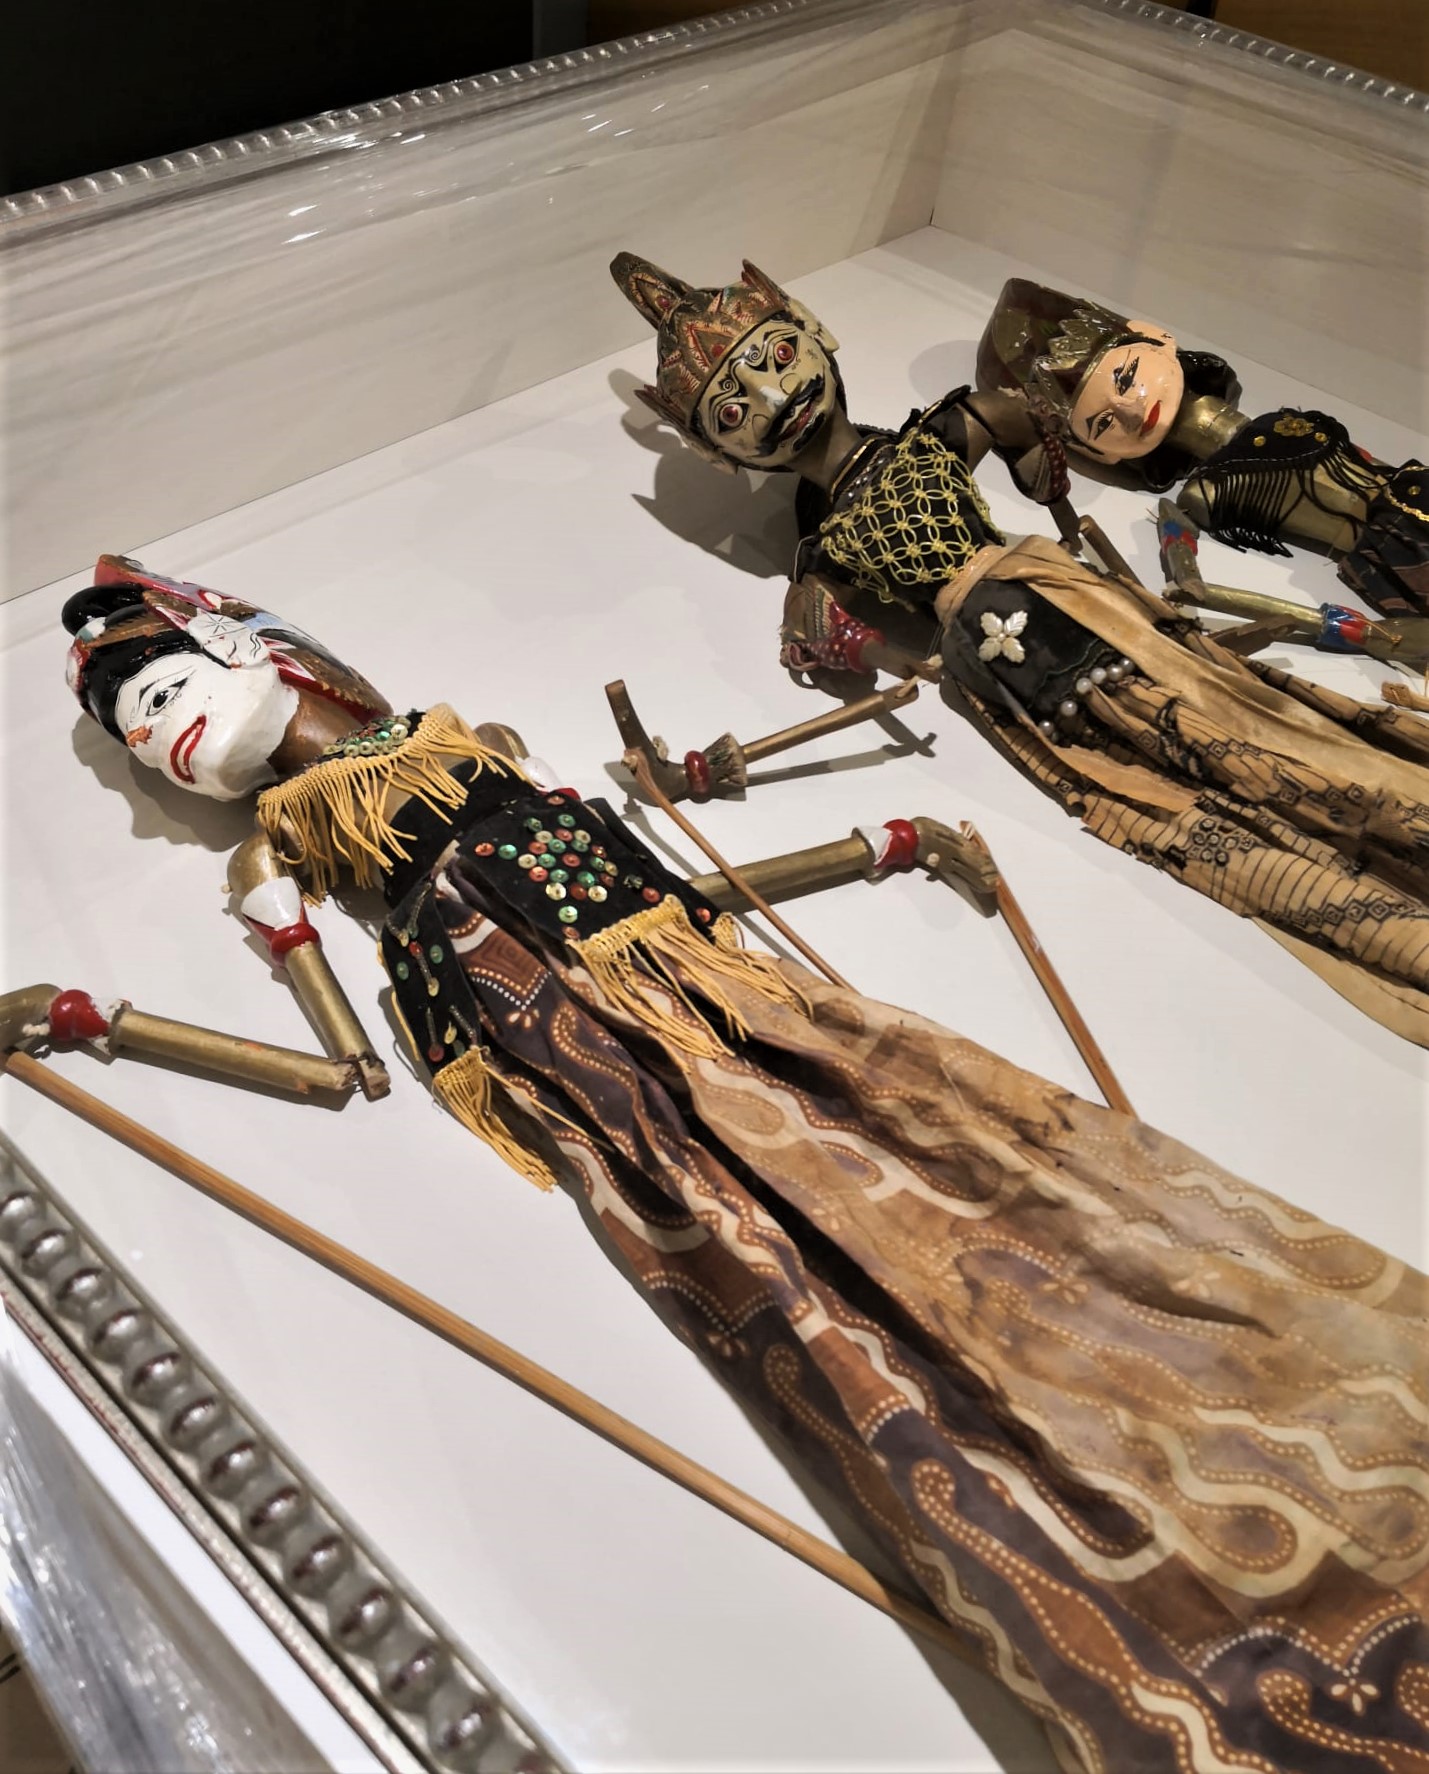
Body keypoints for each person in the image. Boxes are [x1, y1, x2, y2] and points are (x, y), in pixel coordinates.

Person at [64, 552, 1429, 1773]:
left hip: (743, 1006)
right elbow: (348, 1063)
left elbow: (670, 891)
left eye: (160, 690)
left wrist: (872, 846)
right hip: (620, 1106)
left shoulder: (471, 752)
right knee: (847, 1338)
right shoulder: (288, 853)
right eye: (137, 739)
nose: (160, 741)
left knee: (1019, 1178)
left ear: (247, 643)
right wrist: (115, 1024)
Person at [612, 254, 1429, 1044]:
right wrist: (877, 652)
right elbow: (811, 626)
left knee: (1233, 710)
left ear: (811, 330)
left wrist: (1051, 485)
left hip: (1053, 597)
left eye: (775, 356)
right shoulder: (825, 545)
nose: (771, 396)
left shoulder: (931, 437)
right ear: (715, 450)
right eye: (731, 412)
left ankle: (1385, 811)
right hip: (996, 660)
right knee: (1165, 790)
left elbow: (1010, 420)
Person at [977, 276, 1429, 617]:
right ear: (1101, 453)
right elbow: (1178, 540)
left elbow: (1368, 463)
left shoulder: (1291, 422)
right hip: (1394, 557)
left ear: (1157, 338)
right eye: (1104, 423)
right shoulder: (1208, 493)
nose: (1131, 410)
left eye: (1127, 377)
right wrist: (1189, 583)